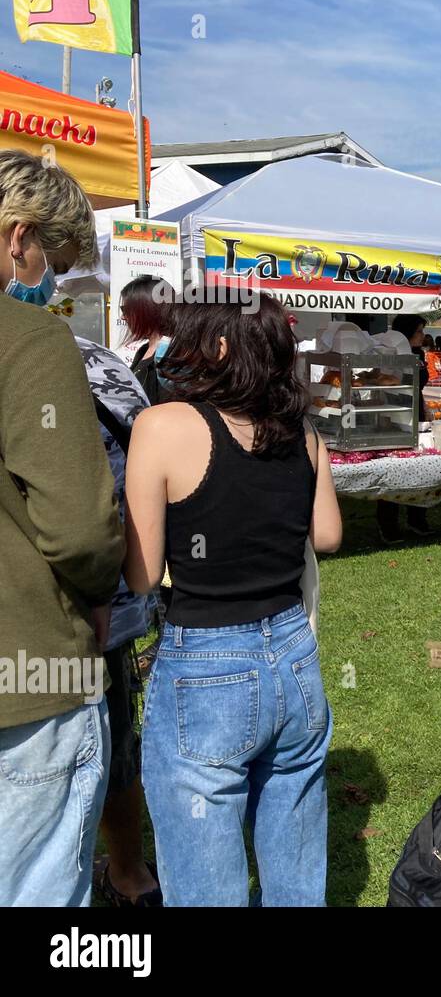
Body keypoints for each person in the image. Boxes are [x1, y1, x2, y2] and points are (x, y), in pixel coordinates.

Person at [123, 298, 343, 906]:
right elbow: (327, 535)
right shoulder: (303, 433)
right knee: (296, 849)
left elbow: (142, 574)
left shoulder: (162, 426)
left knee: (203, 870)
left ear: (217, 349)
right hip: (295, 653)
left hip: (206, 662)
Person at [0, 149, 122, 907]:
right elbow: (80, 527)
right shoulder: (32, 343)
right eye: (55, 260)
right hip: (31, 678)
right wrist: (104, 583)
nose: (51, 283)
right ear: (19, 236)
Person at [71, 337, 164, 907]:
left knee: (104, 738)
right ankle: (130, 873)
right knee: (110, 736)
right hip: (107, 598)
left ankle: (125, 872)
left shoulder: (79, 357)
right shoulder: (89, 356)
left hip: (89, 600)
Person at [377, 313, 433, 543]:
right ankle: (388, 522)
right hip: (395, 411)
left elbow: (421, 382)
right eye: (419, 331)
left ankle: (417, 518)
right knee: (394, 467)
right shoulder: (389, 354)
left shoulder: (419, 354)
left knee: (418, 466)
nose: (422, 336)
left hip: (416, 411)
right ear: (406, 332)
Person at [120, 274, 173, 405]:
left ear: (146, 310)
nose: (123, 317)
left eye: (125, 310)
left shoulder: (171, 354)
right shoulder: (143, 350)